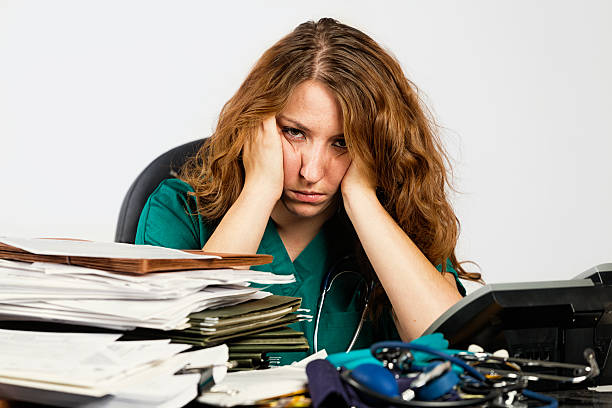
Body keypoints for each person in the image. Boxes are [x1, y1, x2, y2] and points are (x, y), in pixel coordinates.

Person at [135, 18, 481, 364]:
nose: (312, 171)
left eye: (342, 143)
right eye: (295, 133)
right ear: (258, 123)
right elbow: (174, 349)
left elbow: (449, 348)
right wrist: (259, 189)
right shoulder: (178, 209)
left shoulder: (398, 220)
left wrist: (361, 198)